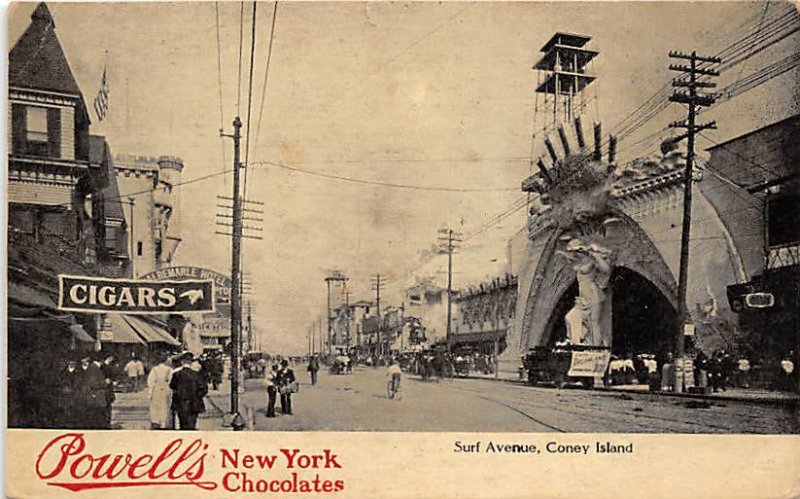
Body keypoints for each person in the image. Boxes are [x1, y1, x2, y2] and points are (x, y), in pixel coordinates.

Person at [169, 353, 208, 430]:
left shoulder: (176, 374)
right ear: (191, 363)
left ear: (182, 362)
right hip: (194, 404)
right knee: (192, 423)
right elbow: (204, 389)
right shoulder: (196, 374)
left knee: (182, 423)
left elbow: (172, 386)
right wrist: (197, 396)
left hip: (180, 403)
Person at [79, 352, 110, 429]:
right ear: (102, 360)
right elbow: (94, 384)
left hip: (96, 397)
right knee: (97, 417)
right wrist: (105, 382)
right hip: (95, 397)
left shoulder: (94, 367)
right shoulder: (94, 368)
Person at [147, 352, 173, 430]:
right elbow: (171, 380)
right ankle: (164, 422)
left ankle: (156, 421)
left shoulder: (154, 369)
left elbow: (150, 381)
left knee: (156, 405)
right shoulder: (169, 369)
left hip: (156, 388)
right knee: (165, 405)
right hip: (166, 388)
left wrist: (150, 392)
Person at [60, 355, 82, 428]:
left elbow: (79, 383)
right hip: (65, 394)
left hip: (75, 394)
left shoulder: (79, 372)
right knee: (65, 409)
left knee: (74, 409)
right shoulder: (63, 372)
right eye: (70, 362)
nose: (72, 363)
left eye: (73, 362)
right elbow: (61, 382)